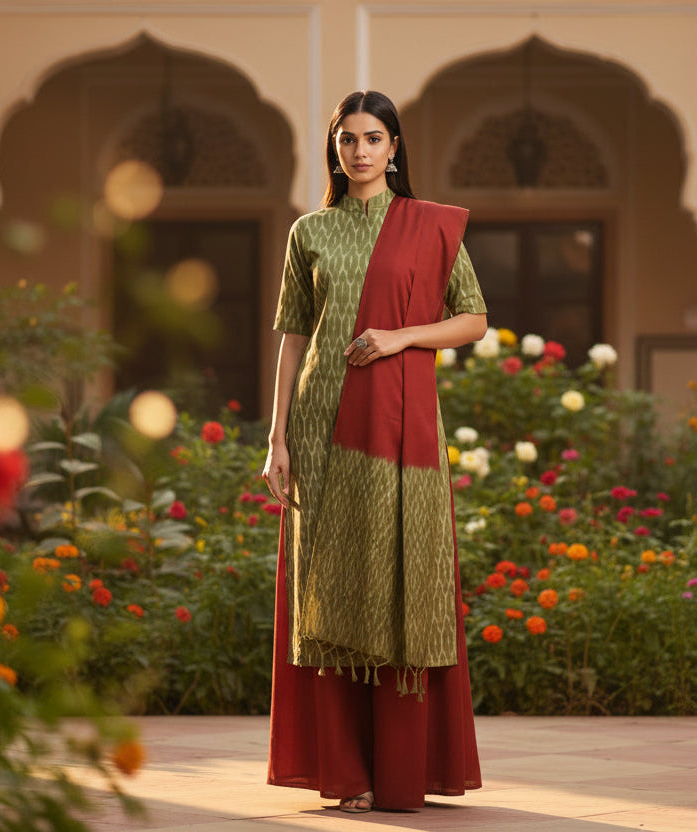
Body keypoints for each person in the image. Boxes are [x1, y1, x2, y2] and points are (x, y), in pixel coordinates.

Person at [263, 90, 487, 814]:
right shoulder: (311, 232)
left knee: (401, 581)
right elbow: (295, 338)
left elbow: (474, 320)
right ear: (335, 149)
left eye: (373, 138)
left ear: (395, 148)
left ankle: (401, 770)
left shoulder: (431, 227)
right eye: (347, 139)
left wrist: (400, 338)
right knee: (334, 587)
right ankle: (348, 774)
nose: (359, 151)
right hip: (320, 426)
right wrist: (276, 440)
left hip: (401, 430)